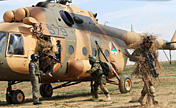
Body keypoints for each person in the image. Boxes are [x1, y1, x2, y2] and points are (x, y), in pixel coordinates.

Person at [126, 36, 159, 106]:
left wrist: (156, 57)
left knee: (146, 86)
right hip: (143, 69)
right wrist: (140, 58)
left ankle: (141, 98)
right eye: (147, 43)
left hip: (151, 69)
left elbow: (154, 59)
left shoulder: (151, 50)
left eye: (149, 43)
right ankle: (154, 99)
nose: (148, 44)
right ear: (144, 43)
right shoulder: (139, 49)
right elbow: (131, 58)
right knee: (149, 84)